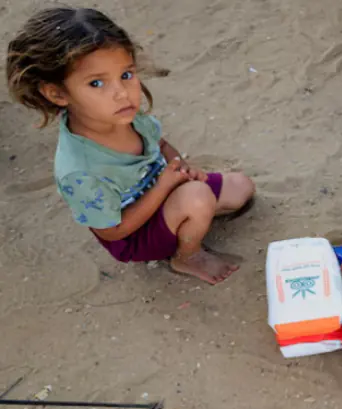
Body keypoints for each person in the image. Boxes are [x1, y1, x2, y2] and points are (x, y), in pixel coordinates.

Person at [6, 8, 256, 285]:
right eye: (97, 83)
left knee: (241, 187)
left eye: (126, 75)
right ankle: (187, 256)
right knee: (197, 197)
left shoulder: (124, 113)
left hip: (168, 192)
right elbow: (112, 232)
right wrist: (164, 185)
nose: (121, 93)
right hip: (135, 235)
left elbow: (159, 144)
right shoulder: (79, 171)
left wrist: (180, 167)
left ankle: (190, 217)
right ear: (57, 93)